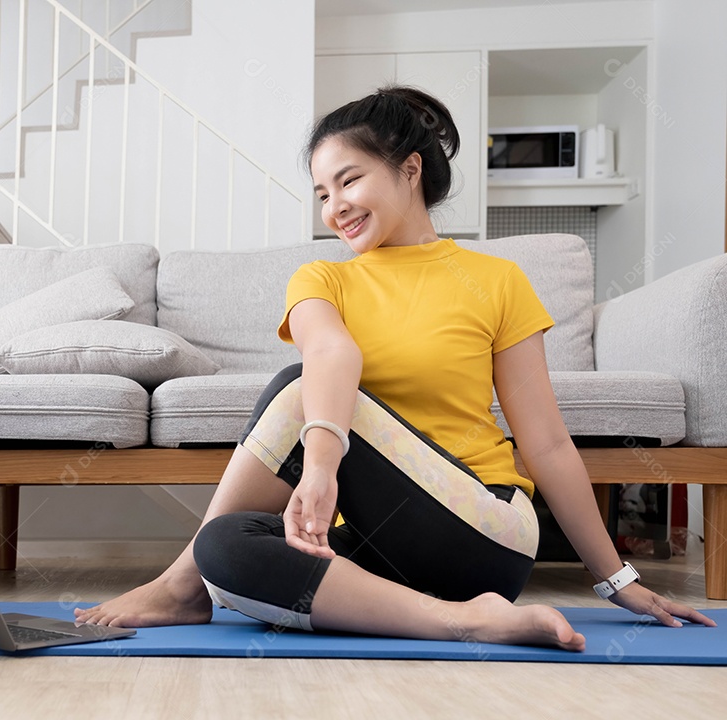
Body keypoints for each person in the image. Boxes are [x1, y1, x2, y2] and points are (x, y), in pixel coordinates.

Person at [75, 85, 715, 650]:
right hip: (382, 555)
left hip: (484, 529)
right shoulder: (320, 277)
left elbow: (546, 443)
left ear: (410, 169)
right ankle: (457, 621)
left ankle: (177, 585)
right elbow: (329, 348)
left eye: (349, 181)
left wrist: (618, 581)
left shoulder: (496, 279)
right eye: (322, 192)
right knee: (223, 547)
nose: (334, 207)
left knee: (297, 390)